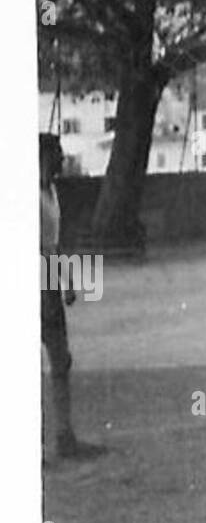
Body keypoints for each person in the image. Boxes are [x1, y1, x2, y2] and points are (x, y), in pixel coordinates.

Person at [39, 132, 105, 462]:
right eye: (57, 155)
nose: (62, 160)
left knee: (61, 360)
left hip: (47, 284)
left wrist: (65, 281)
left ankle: (65, 435)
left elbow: (53, 243)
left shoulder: (51, 193)